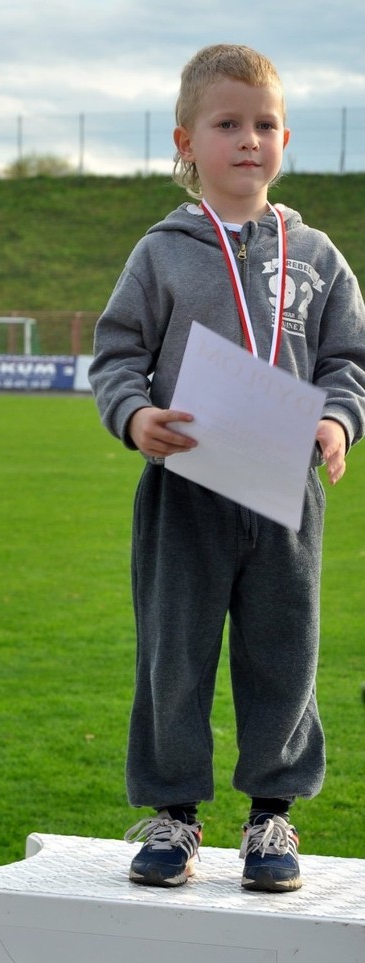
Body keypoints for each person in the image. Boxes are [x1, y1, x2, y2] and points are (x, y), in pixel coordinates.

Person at [88, 44, 365, 892]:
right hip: (187, 489)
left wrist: (335, 421)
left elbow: (349, 360)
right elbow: (116, 354)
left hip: (286, 488)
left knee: (285, 650)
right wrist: (135, 417)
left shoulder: (315, 255)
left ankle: (271, 816)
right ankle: (174, 813)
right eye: (228, 124)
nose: (250, 140)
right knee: (175, 652)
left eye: (266, 124)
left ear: (285, 138)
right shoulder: (162, 253)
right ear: (187, 142)